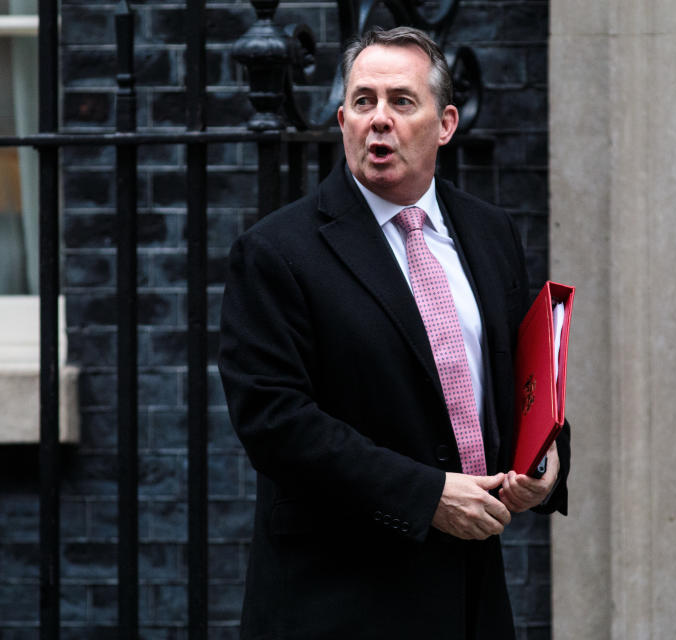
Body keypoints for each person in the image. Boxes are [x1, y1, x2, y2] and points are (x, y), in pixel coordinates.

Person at [217, 26, 570, 640]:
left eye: (402, 101)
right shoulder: (276, 251)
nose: (379, 119)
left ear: (446, 123)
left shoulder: (491, 233)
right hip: (340, 598)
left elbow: (520, 375)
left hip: (471, 595)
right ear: (343, 119)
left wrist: (547, 460)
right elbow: (274, 422)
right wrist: (426, 494)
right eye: (363, 101)